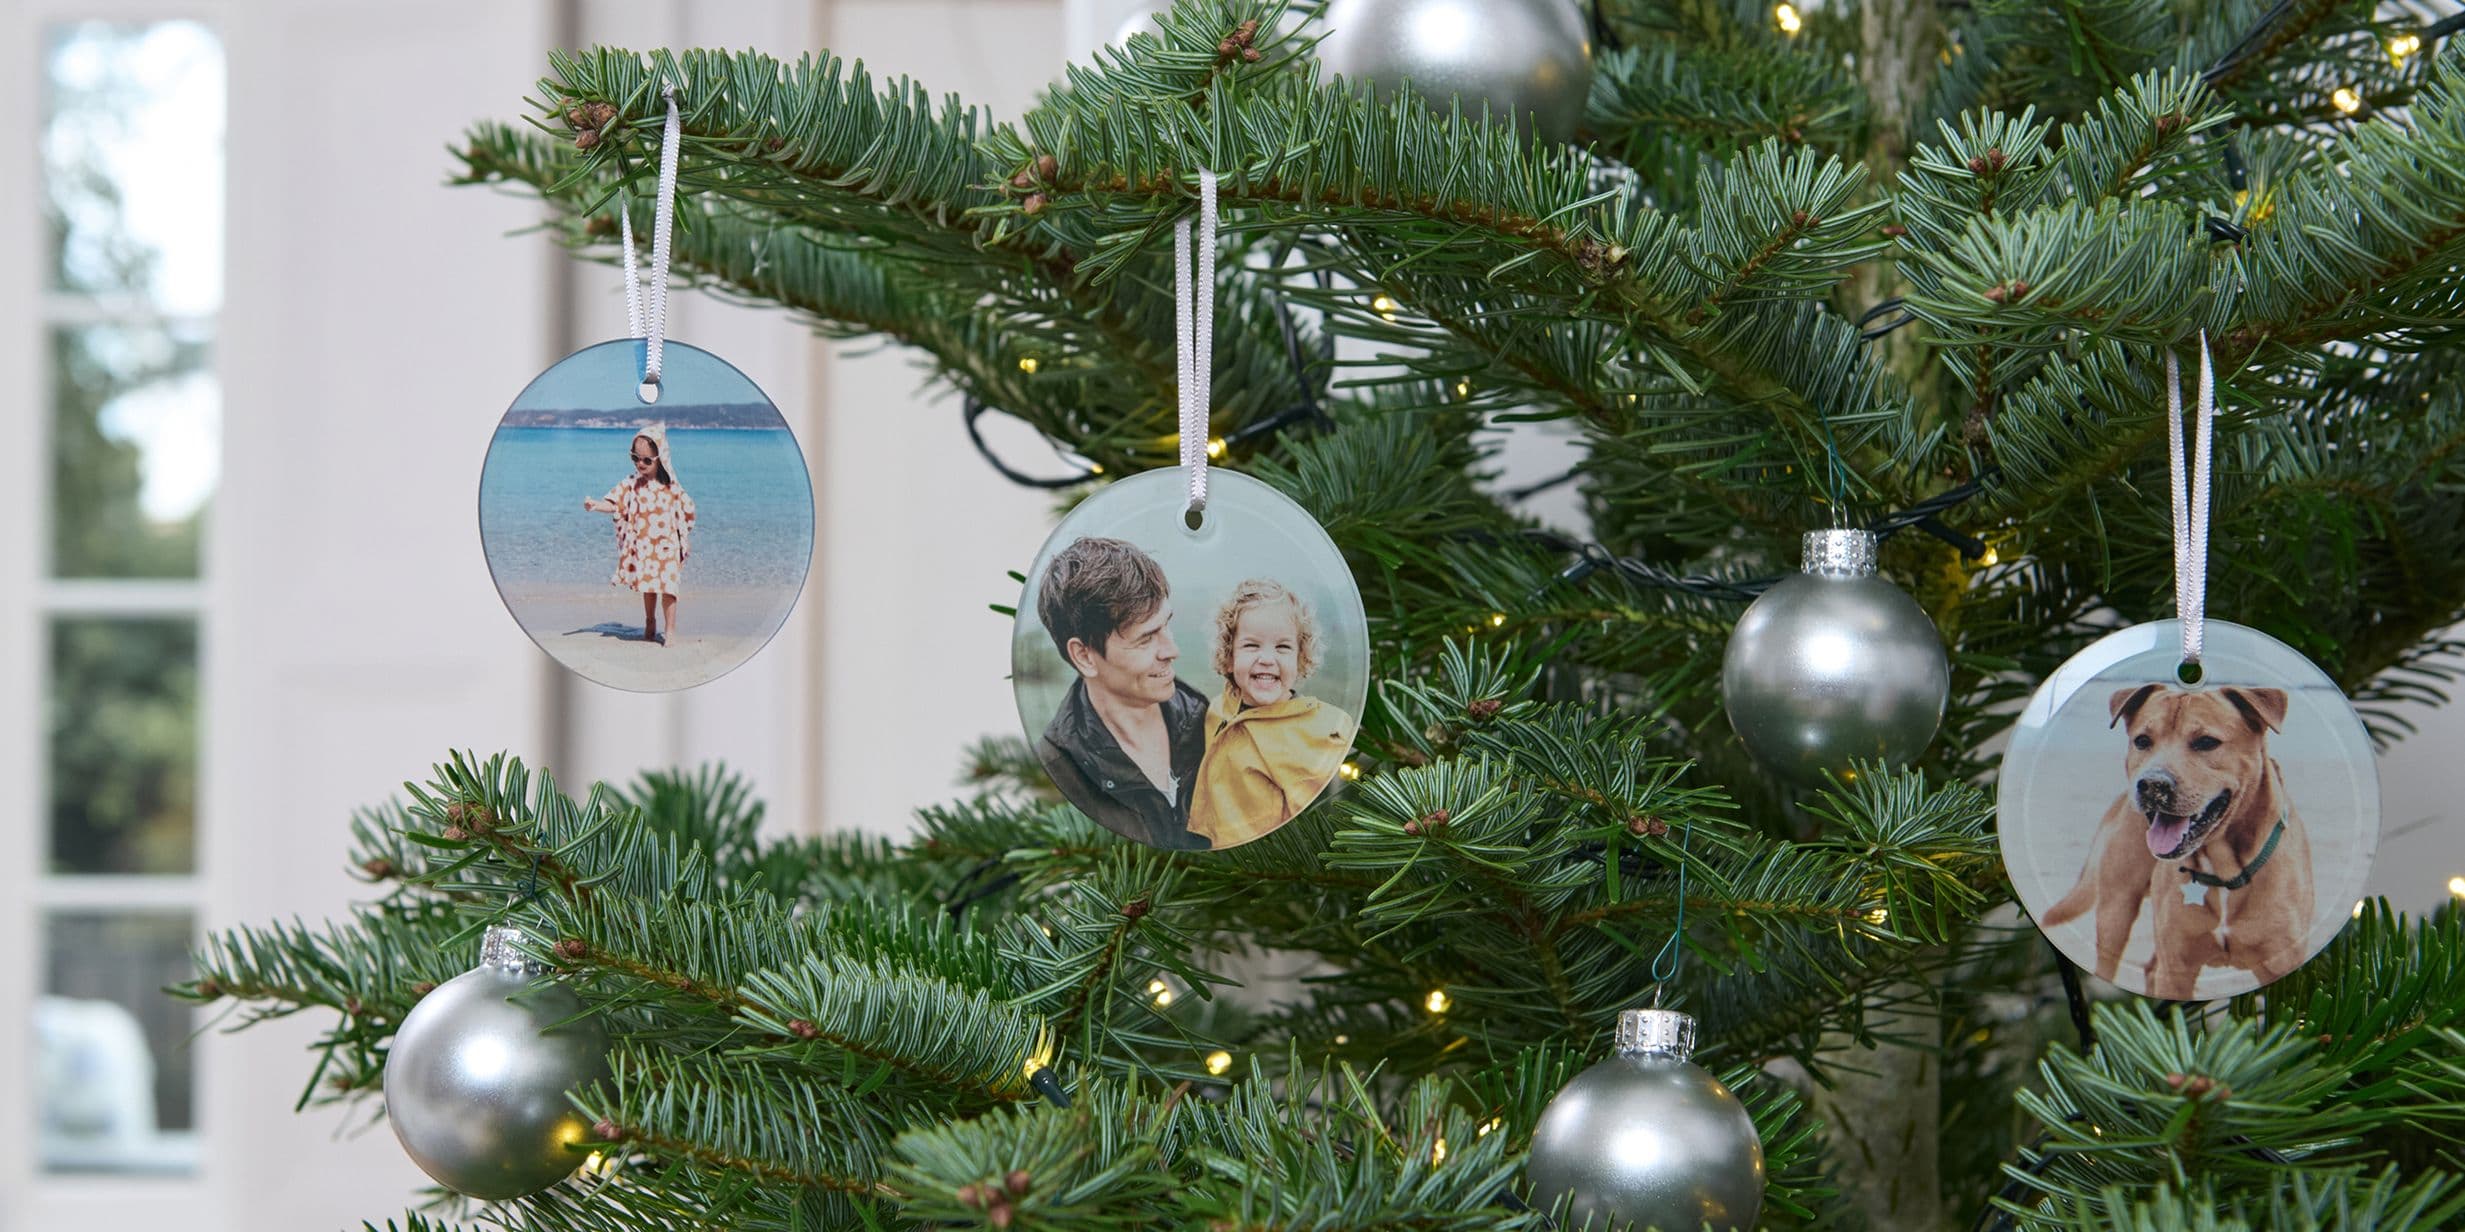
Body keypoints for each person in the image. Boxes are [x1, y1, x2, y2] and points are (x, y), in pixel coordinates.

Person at [1034, 536, 1209, 849]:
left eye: (1166, 625)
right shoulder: (1058, 768)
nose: (1172, 650)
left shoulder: (1210, 724)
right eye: (1145, 639)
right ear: (1084, 656)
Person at [1186, 579, 1355, 849]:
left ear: (1300, 659)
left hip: (1275, 863)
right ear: (1229, 656)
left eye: (1283, 647)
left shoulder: (1319, 729)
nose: (1267, 658)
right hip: (1209, 851)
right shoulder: (1218, 710)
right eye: (1252, 645)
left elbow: (1323, 815)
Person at [583, 425, 695, 646]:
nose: (639, 464)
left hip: (668, 546)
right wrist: (596, 505)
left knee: (670, 588)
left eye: (646, 460)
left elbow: (686, 512)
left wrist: (684, 538)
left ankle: (670, 630)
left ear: (659, 458)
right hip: (645, 545)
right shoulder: (632, 484)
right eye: (635, 458)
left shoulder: (671, 487)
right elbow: (615, 502)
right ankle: (650, 621)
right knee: (649, 586)